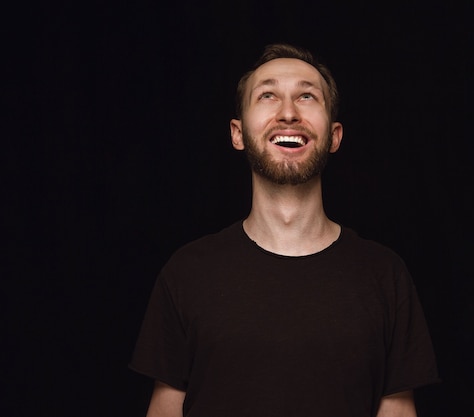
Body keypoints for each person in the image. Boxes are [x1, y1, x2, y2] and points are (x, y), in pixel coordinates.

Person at [129, 42, 440, 417]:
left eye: (307, 96)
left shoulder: (385, 275)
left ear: (335, 136)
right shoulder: (186, 272)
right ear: (237, 132)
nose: (288, 113)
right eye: (268, 96)